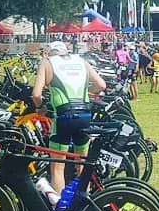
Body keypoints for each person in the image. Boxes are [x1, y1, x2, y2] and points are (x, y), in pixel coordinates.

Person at [32, 40, 106, 196]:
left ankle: (60, 209)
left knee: (58, 166)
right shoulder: (81, 60)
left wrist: (40, 108)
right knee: (81, 164)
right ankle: (82, 208)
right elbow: (101, 85)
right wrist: (87, 90)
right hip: (85, 115)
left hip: (64, 116)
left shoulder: (47, 62)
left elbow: (36, 94)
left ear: (50, 52)